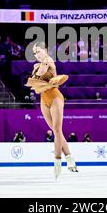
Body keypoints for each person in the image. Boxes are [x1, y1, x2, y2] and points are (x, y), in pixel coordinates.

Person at [25, 42, 78, 179]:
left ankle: (57, 161)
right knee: (56, 131)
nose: (36, 54)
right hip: (44, 99)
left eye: (38, 51)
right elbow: (35, 81)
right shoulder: (36, 65)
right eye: (34, 53)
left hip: (55, 97)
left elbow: (40, 74)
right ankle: (70, 159)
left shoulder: (48, 60)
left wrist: (38, 70)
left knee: (57, 129)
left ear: (45, 50)